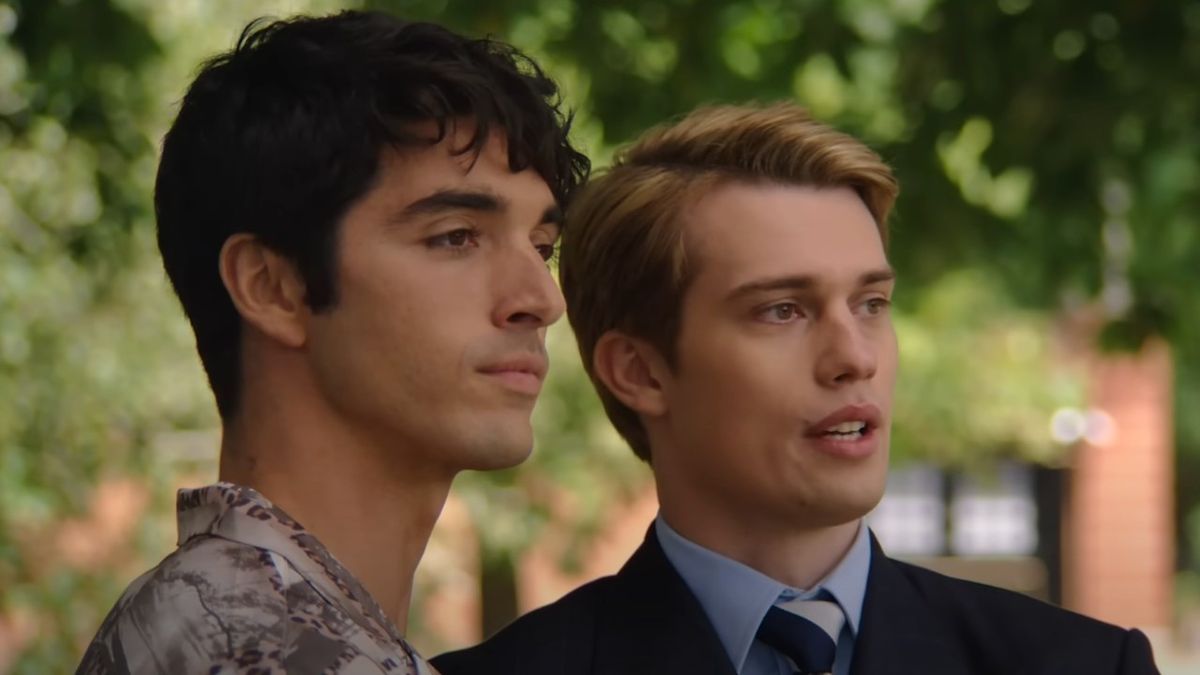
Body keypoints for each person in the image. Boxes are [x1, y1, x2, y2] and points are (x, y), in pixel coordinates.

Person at [431, 103, 1159, 675]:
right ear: (640, 371)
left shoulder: (1086, 663)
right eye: (782, 309)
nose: (853, 357)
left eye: (871, 303)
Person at [77, 9, 588, 674]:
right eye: (456, 236)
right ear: (273, 287)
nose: (542, 300)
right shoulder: (258, 647)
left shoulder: (251, 621)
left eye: (542, 247)